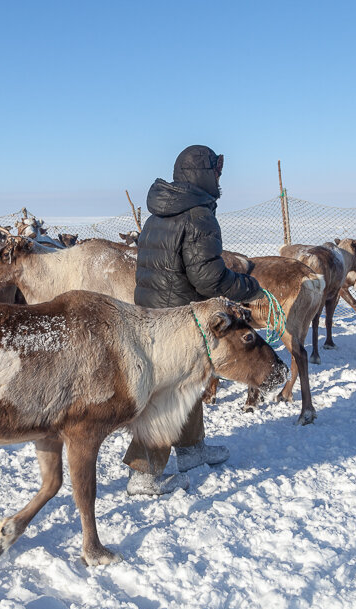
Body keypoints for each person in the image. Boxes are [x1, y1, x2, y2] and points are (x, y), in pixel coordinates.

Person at [125, 145, 263, 496]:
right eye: (217, 171)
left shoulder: (160, 213)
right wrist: (249, 287)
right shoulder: (198, 215)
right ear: (204, 173)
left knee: (188, 383)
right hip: (181, 317)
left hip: (152, 312)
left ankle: (191, 449)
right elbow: (209, 279)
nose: (219, 179)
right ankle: (144, 472)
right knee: (168, 394)